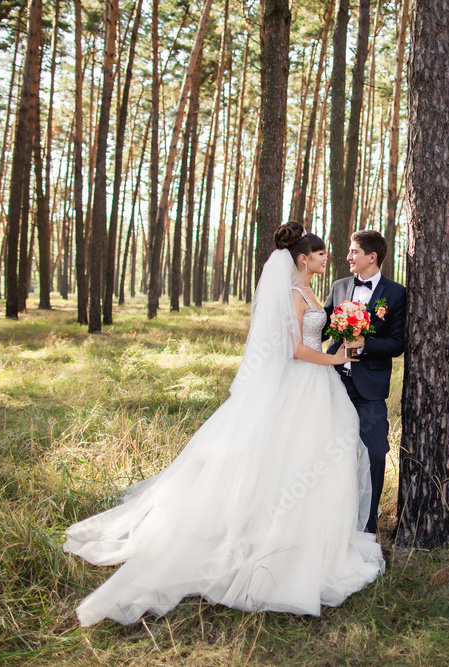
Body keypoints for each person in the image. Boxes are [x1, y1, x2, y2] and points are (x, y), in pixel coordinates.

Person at [63, 222, 384, 626]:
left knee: (313, 458)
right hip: (302, 382)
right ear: (304, 259)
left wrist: (347, 340)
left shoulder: (311, 290)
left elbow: (316, 335)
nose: (326, 258)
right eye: (320, 254)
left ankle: (314, 539)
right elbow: (295, 348)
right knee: (291, 456)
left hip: (319, 387)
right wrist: (335, 359)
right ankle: (270, 542)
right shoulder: (291, 293)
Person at [324, 230, 406, 535]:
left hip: (369, 389)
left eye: (354, 251)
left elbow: (397, 343)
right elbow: (321, 326)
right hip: (333, 383)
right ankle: (332, 519)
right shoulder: (339, 286)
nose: (348, 256)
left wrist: (365, 343)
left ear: (372, 257)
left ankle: (367, 525)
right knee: (329, 453)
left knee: (375, 452)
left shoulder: (396, 294)